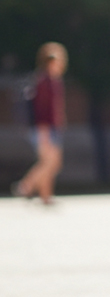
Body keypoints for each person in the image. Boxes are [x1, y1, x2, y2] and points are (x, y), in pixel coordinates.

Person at [13, 43, 68, 204]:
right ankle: (26, 185)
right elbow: (42, 109)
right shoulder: (44, 81)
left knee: (52, 163)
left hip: (53, 127)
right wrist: (44, 131)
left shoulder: (54, 80)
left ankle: (46, 196)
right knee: (49, 162)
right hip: (44, 128)